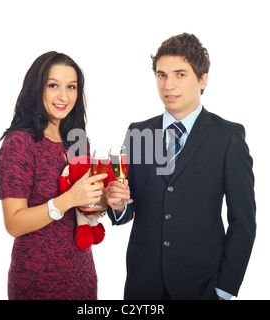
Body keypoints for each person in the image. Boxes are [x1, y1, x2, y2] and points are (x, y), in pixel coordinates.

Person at [105, 33, 256, 300]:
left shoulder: (228, 137)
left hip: (201, 287)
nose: (168, 85)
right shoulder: (138, 133)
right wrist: (118, 206)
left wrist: (224, 289)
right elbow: (129, 208)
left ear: (202, 79)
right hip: (143, 286)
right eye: (161, 75)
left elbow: (243, 223)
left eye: (180, 74)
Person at [0, 51, 107, 300]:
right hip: (37, 284)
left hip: (81, 277)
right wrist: (68, 198)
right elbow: (13, 223)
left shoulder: (78, 143)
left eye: (71, 87)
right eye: (53, 85)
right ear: (37, 88)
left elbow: (83, 208)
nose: (63, 96)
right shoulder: (19, 144)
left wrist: (104, 199)